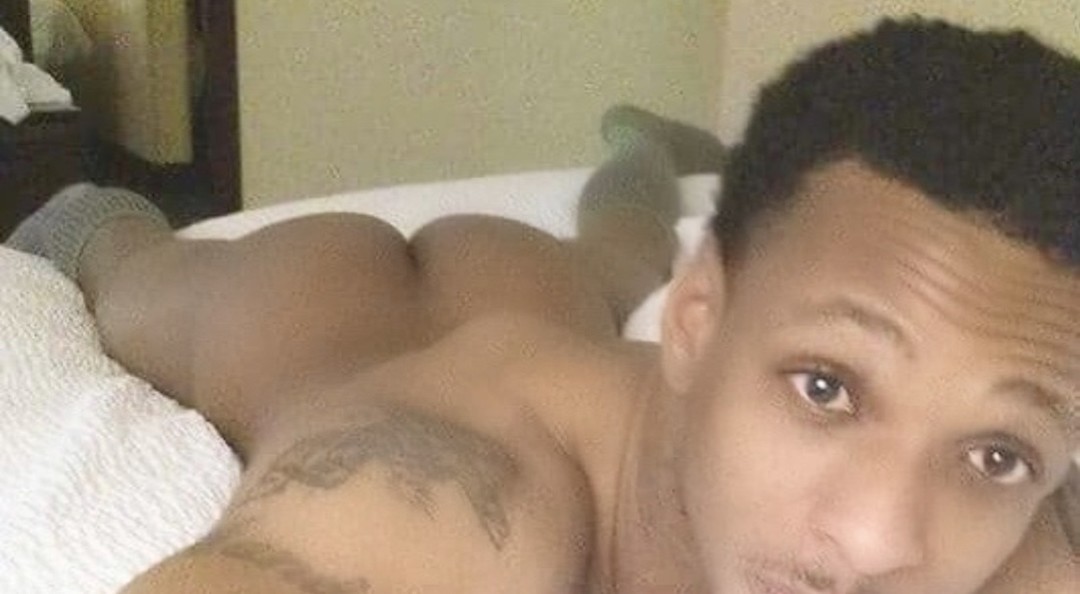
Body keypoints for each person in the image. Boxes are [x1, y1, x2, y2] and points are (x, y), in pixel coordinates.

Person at [6, 17, 1079, 594]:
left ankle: (643, 146)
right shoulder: (442, 494)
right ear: (697, 326)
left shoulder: (993, 521)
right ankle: (87, 210)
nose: (883, 539)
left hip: (554, 294)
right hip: (302, 304)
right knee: (122, 255)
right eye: (827, 387)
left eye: (996, 453)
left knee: (619, 243)